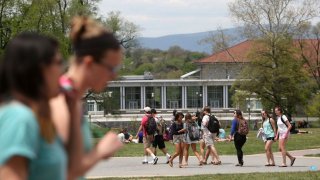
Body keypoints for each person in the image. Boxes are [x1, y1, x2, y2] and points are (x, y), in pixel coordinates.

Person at [50, 16, 123, 179]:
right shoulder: (62, 102)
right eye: (111, 68)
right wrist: (99, 152)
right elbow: (61, 173)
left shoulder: (71, 98)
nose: (113, 76)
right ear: (89, 63)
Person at [0, 32, 67, 179]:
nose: (63, 70)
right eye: (58, 63)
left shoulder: (34, 117)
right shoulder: (19, 118)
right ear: (40, 69)